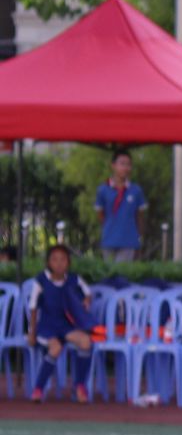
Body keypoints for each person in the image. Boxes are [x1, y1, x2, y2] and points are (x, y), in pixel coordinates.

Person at [29, 245, 95, 401]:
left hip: (66, 326)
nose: (59, 263)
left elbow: (88, 292)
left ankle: (79, 387)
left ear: (68, 262)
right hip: (46, 327)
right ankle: (38, 389)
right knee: (56, 347)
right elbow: (32, 307)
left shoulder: (74, 279)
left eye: (63, 259)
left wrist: (86, 300)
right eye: (54, 259)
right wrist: (32, 333)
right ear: (48, 262)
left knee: (86, 341)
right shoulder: (41, 280)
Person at [96, 150, 147, 262]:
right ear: (113, 165)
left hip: (129, 242)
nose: (126, 168)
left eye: (128, 164)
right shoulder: (103, 190)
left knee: (122, 275)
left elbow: (140, 217)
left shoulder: (136, 190)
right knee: (109, 275)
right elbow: (100, 215)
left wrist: (138, 239)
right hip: (108, 240)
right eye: (122, 163)